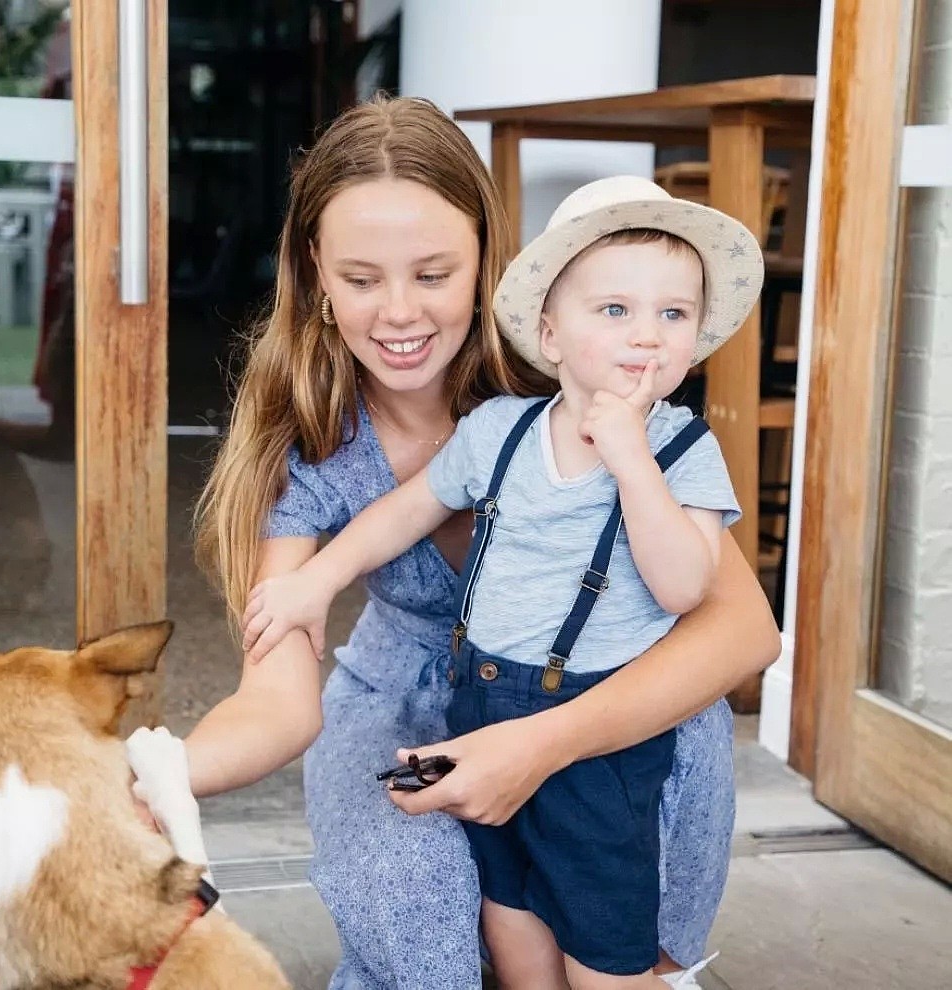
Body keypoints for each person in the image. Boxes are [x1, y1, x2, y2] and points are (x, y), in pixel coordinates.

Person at [126, 95, 781, 990]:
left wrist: (542, 746)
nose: (399, 314)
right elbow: (278, 694)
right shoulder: (309, 433)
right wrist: (158, 775)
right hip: (406, 700)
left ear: (487, 264)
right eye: (361, 279)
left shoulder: (575, 373)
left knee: (630, 873)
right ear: (316, 270)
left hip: (596, 686)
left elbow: (741, 632)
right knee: (423, 904)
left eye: (434, 274)